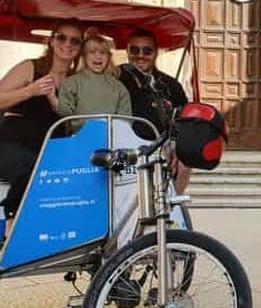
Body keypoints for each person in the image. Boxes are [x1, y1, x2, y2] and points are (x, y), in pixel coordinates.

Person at [0, 20, 83, 227]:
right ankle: (12, 221)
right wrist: (30, 91)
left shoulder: (78, 81)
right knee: (35, 165)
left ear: (80, 47)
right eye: (62, 37)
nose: (68, 44)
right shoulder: (31, 67)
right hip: (13, 144)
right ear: (52, 41)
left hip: (52, 147)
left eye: (75, 41)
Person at [119, 28, 191, 192]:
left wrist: (176, 147)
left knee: (184, 162)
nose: (140, 55)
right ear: (127, 51)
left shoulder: (171, 85)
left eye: (147, 50)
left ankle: (173, 208)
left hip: (161, 147)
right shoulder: (114, 77)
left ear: (156, 52)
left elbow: (183, 120)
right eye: (135, 50)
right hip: (125, 147)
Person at [54, 33, 132, 122]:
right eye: (92, 52)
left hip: (111, 134)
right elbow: (65, 112)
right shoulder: (72, 82)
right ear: (84, 56)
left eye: (102, 53)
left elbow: (126, 118)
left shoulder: (118, 87)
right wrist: (53, 98)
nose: (98, 56)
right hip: (81, 134)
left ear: (109, 57)